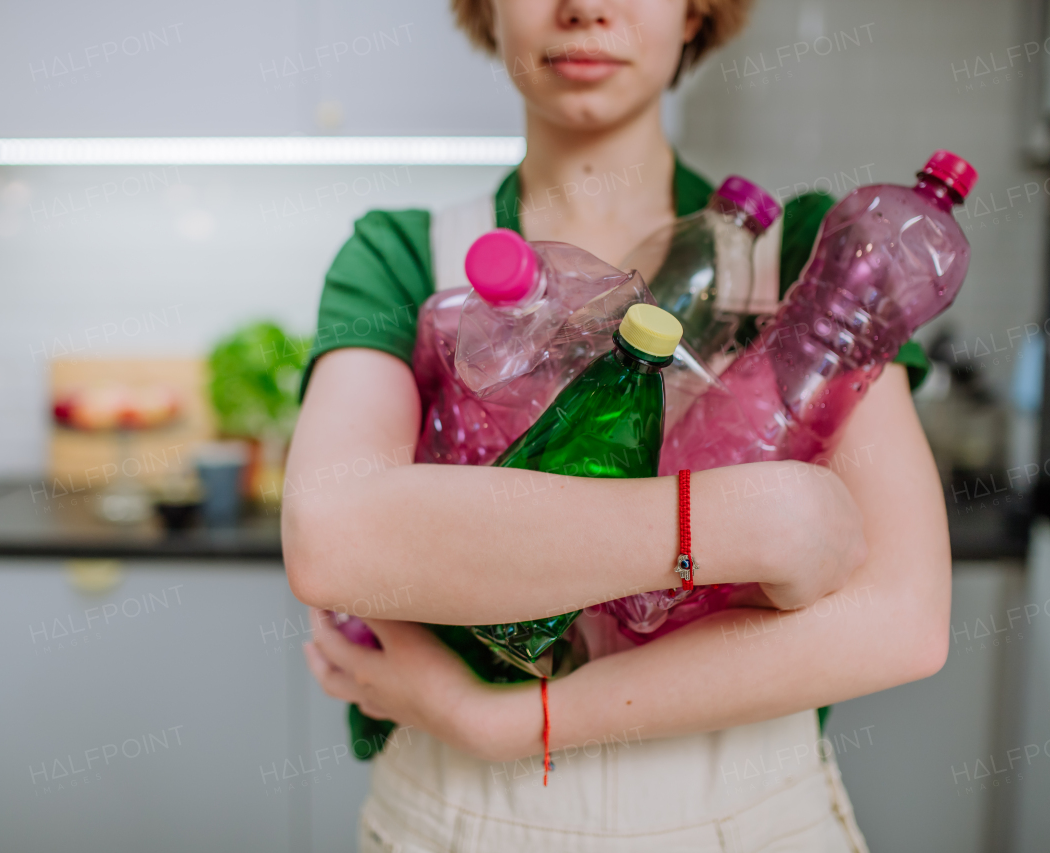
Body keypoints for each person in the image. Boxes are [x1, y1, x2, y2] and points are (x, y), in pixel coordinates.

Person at [284, 1, 950, 850]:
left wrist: (514, 721)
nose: (584, 6)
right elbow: (333, 539)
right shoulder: (403, 256)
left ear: (696, 9)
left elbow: (901, 616)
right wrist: (746, 521)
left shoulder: (817, 257)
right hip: (455, 823)